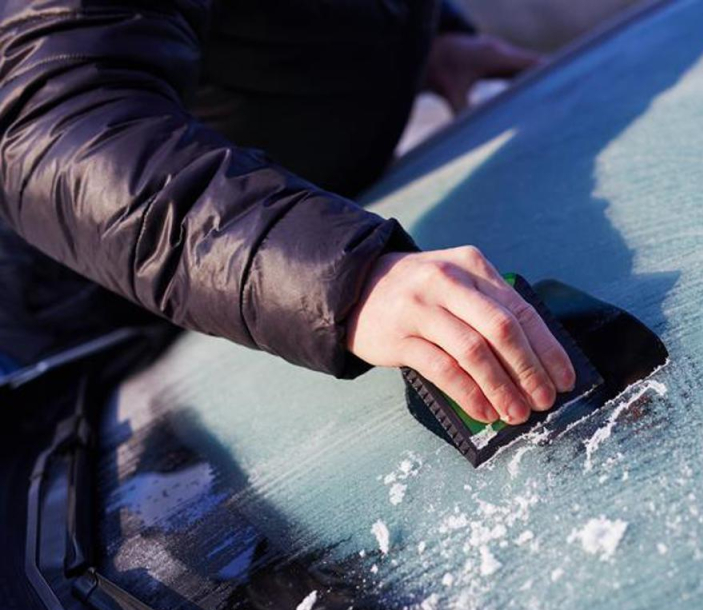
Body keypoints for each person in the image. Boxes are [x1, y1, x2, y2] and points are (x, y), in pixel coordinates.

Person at [0, 0, 577, 425]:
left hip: (269, 260)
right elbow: (56, 126)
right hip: (85, 342)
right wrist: (347, 280)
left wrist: (428, 42)